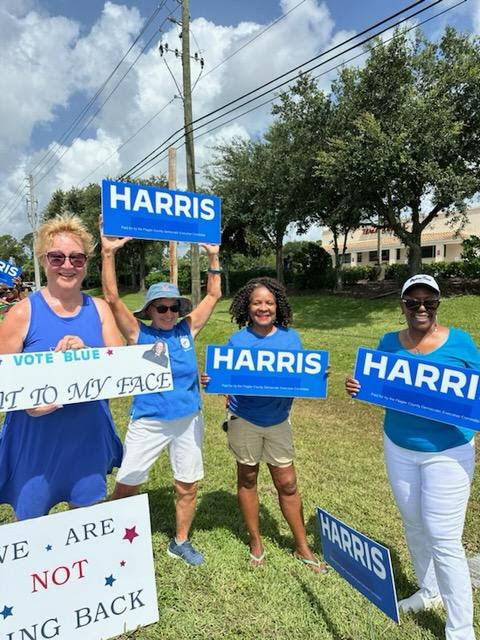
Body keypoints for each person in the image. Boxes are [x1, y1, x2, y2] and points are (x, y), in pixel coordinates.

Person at [345, 274, 478, 640]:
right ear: (402, 305)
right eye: (413, 302)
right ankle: (429, 591)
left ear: (437, 304)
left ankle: (460, 628)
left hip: (448, 451)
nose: (421, 308)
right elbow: (378, 386)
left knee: (444, 537)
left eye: (429, 302)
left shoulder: (461, 343)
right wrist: (359, 387)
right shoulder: (389, 343)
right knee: (414, 523)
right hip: (399, 446)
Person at [101, 230, 221, 566]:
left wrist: (213, 256)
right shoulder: (139, 333)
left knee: (188, 484)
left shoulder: (187, 329)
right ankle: (106, 536)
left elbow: (213, 296)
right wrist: (108, 252)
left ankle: (180, 541)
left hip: (188, 420)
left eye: (173, 307)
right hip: (149, 420)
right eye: (161, 308)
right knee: (128, 483)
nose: (168, 313)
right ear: (150, 311)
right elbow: (111, 297)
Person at [0, 213, 124, 520]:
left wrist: (89, 353)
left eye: (76, 258)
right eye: (57, 257)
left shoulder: (100, 309)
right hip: (37, 440)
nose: (67, 265)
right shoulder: (21, 313)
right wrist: (29, 404)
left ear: (85, 263)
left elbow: (121, 366)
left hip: (87, 434)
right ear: (43, 260)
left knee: (85, 521)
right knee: (30, 526)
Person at [203, 276, 327, 573]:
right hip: (244, 418)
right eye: (257, 302)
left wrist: (316, 376)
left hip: (278, 421)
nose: (263, 308)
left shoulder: (290, 339)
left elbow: (300, 379)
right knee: (247, 478)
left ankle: (302, 546)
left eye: (269, 302)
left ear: (277, 306)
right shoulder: (237, 341)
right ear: (247, 306)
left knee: (287, 482)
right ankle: (256, 541)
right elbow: (226, 380)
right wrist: (213, 380)